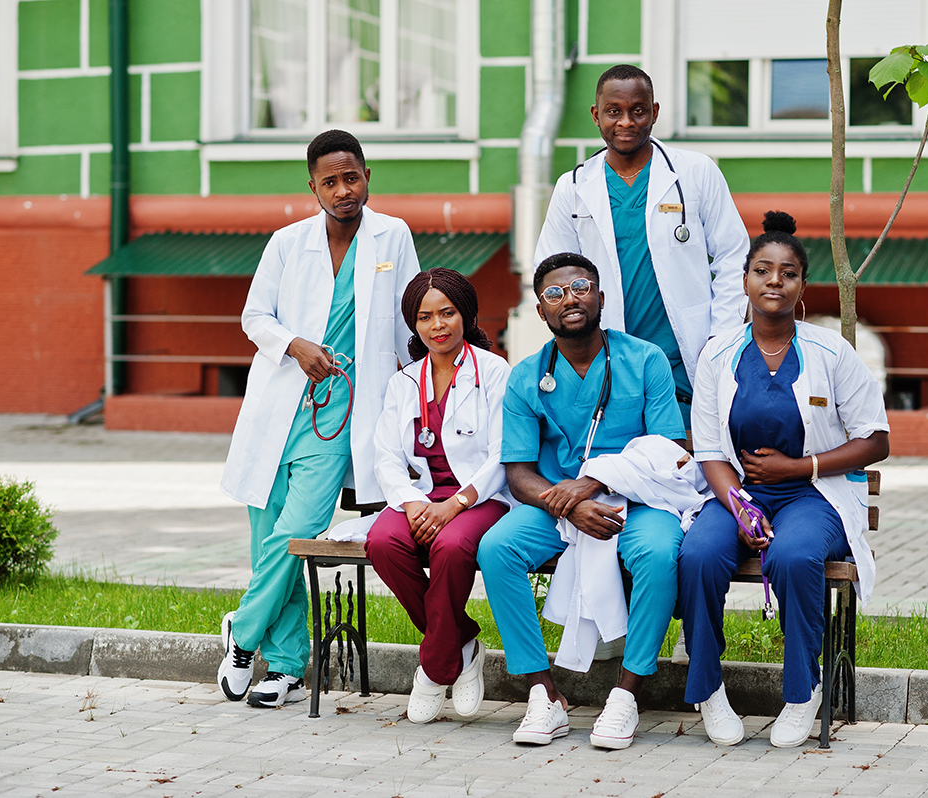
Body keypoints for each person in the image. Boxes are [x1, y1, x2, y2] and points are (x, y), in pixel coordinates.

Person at [217, 130, 419, 708]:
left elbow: (409, 319)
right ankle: (282, 666)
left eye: (350, 177)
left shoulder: (392, 234)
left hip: (344, 410)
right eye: (329, 181)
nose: (342, 190)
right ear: (313, 187)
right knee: (268, 537)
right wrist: (295, 345)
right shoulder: (287, 242)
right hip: (278, 403)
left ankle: (243, 633)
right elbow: (254, 316)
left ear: (367, 176)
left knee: (297, 529)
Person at [677, 212, 890, 748]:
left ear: (801, 287)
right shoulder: (717, 355)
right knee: (699, 555)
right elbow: (707, 449)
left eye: (788, 272)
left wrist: (799, 468)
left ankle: (802, 692)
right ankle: (708, 689)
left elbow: (876, 438)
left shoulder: (831, 352)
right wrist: (741, 506)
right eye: (763, 269)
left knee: (795, 557)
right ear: (744, 281)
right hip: (735, 496)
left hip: (812, 496)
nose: (775, 280)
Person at [476, 252, 686, 751]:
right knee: (497, 548)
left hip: (637, 500)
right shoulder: (527, 377)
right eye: (554, 293)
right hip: (556, 505)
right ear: (541, 311)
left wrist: (590, 485)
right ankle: (543, 693)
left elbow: (667, 452)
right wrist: (568, 505)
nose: (569, 298)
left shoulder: (645, 359)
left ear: (601, 299)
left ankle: (626, 694)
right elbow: (520, 474)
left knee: (658, 555)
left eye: (580, 287)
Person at [534, 64, 751, 427]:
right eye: (613, 111)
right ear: (596, 115)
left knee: (681, 460)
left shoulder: (696, 172)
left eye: (638, 110)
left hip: (684, 356)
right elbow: (550, 274)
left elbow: (734, 255)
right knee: (613, 460)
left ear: (654, 112)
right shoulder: (572, 187)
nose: (626, 122)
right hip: (607, 356)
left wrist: (720, 336)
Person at [364, 268, 512, 724]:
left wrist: (456, 504)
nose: (437, 325)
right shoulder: (404, 382)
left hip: (481, 496)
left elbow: (505, 454)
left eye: (447, 313)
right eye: (425, 317)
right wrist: (411, 502)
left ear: (465, 315)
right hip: (422, 496)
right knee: (383, 542)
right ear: (414, 323)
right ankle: (460, 642)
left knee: (450, 544)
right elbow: (386, 456)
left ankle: (433, 669)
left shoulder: (494, 372)